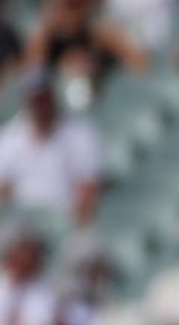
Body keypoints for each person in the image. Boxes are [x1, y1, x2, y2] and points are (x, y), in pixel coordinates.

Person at [0, 69, 102, 224]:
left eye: (44, 99)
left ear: (53, 97)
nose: (41, 106)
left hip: (64, 221)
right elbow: (3, 188)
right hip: (21, 224)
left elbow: (89, 186)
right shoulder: (9, 138)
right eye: (36, 100)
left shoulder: (80, 133)